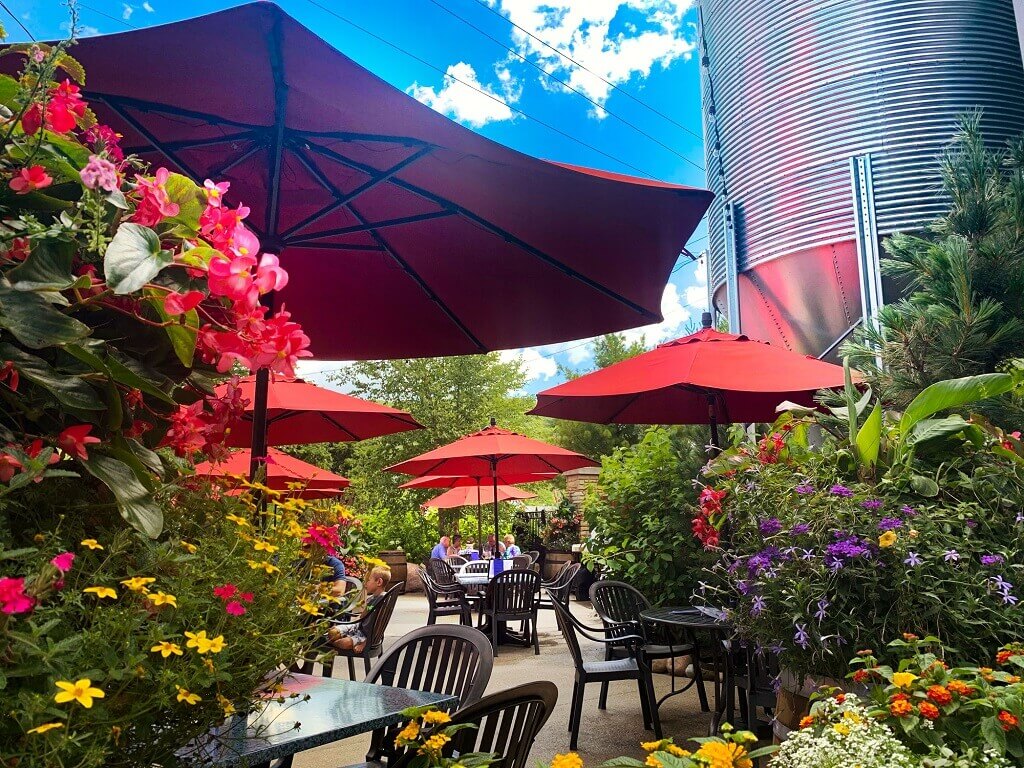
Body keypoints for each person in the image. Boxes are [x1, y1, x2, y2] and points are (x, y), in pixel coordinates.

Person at [326, 565, 391, 653]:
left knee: (344, 643)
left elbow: (379, 624)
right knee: (332, 633)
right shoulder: (371, 598)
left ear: (379, 582)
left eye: (368, 580)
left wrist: (365, 643)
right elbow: (362, 617)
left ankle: (332, 643)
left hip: (366, 636)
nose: (365, 583)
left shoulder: (383, 599)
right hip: (358, 627)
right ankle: (336, 639)